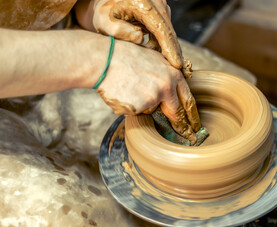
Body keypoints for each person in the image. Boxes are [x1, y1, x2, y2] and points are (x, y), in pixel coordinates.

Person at [0, 0, 200, 144]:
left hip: (70, 36)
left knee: (188, 77)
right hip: (11, 86)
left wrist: (98, 8)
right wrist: (98, 59)